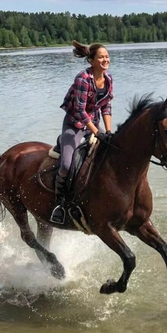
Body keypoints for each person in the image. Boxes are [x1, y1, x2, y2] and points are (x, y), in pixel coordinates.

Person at [50, 40, 114, 224]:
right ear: (91, 61)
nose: (105, 60)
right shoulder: (83, 78)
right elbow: (79, 110)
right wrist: (97, 132)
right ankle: (59, 204)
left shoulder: (109, 80)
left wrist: (107, 132)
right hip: (74, 125)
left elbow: (106, 107)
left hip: (94, 124)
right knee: (67, 166)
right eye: (101, 57)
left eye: (107, 56)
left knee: (110, 154)